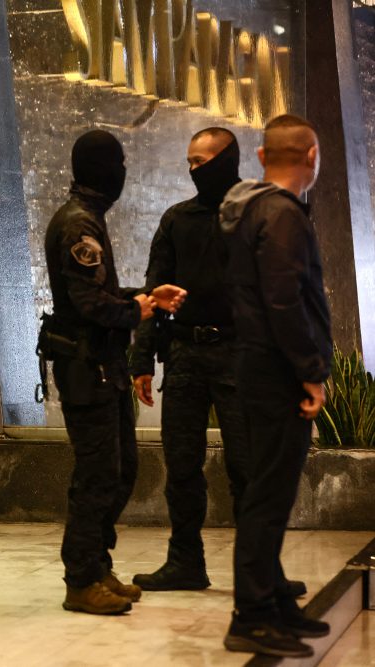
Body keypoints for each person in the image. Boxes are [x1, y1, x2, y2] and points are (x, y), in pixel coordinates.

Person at [41, 130, 185, 615]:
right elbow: (85, 303)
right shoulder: (78, 224)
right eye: (118, 162)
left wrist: (138, 299)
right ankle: (81, 580)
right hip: (87, 368)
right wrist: (138, 310)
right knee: (98, 475)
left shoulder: (87, 217)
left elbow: (98, 293)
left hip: (104, 366)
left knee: (121, 471)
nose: (124, 170)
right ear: (102, 167)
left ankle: (98, 566)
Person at [220, 114, 332, 658]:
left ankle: (273, 603)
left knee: (270, 493)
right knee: (268, 496)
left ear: (263, 157)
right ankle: (253, 612)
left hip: (258, 367)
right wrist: (310, 371)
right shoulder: (281, 215)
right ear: (311, 156)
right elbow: (285, 303)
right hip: (277, 373)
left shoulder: (251, 211)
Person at [129, 128, 250, 591]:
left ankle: (257, 568)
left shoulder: (255, 215)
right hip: (184, 354)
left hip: (239, 354)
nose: (195, 171)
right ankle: (185, 561)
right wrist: (143, 361)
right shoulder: (177, 219)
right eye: (190, 163)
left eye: (203, 162)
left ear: (227, 159)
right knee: (181, 464)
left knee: (247, 465)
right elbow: (154, 291)